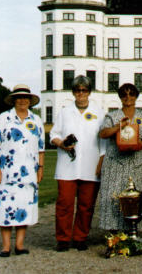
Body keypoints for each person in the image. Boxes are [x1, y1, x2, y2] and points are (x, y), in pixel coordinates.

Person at [50, 75, 105, 252]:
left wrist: (101, 162)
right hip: (67, 165)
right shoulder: (65, 111)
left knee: (86, 205)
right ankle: (63, 238)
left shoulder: (99, 112)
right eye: (77, 90)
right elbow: (53, 135)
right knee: (65, 203)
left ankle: (80, 237)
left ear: (89, 91)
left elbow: (104, 141)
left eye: (84, 90)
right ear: (73, 92)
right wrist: (62, 143)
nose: (81, 93)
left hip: (90, 164)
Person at [0, 84, 45, 257]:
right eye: (19, 97)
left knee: (24, 207)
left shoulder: (36, 121)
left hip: (28, 173)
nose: (22, 100)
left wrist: (40, 168)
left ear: (30, 101)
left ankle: (19, 245)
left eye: (25, 98)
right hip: (5, 172)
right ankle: (6, 246)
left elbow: (41, 148)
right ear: (13, 100)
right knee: (5, 208)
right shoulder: (2, 119)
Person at [98, 83, 142, 233]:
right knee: (113, 196)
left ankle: (133, 229)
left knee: (135, 196)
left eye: (131, 94)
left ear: (136, 96)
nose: (128, 98)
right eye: (124, 94)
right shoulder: (112, 115)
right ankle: (113, 231)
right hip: (115, 162)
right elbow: (102, 134)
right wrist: (117, 127)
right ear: (120, 97)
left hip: (136, 162)